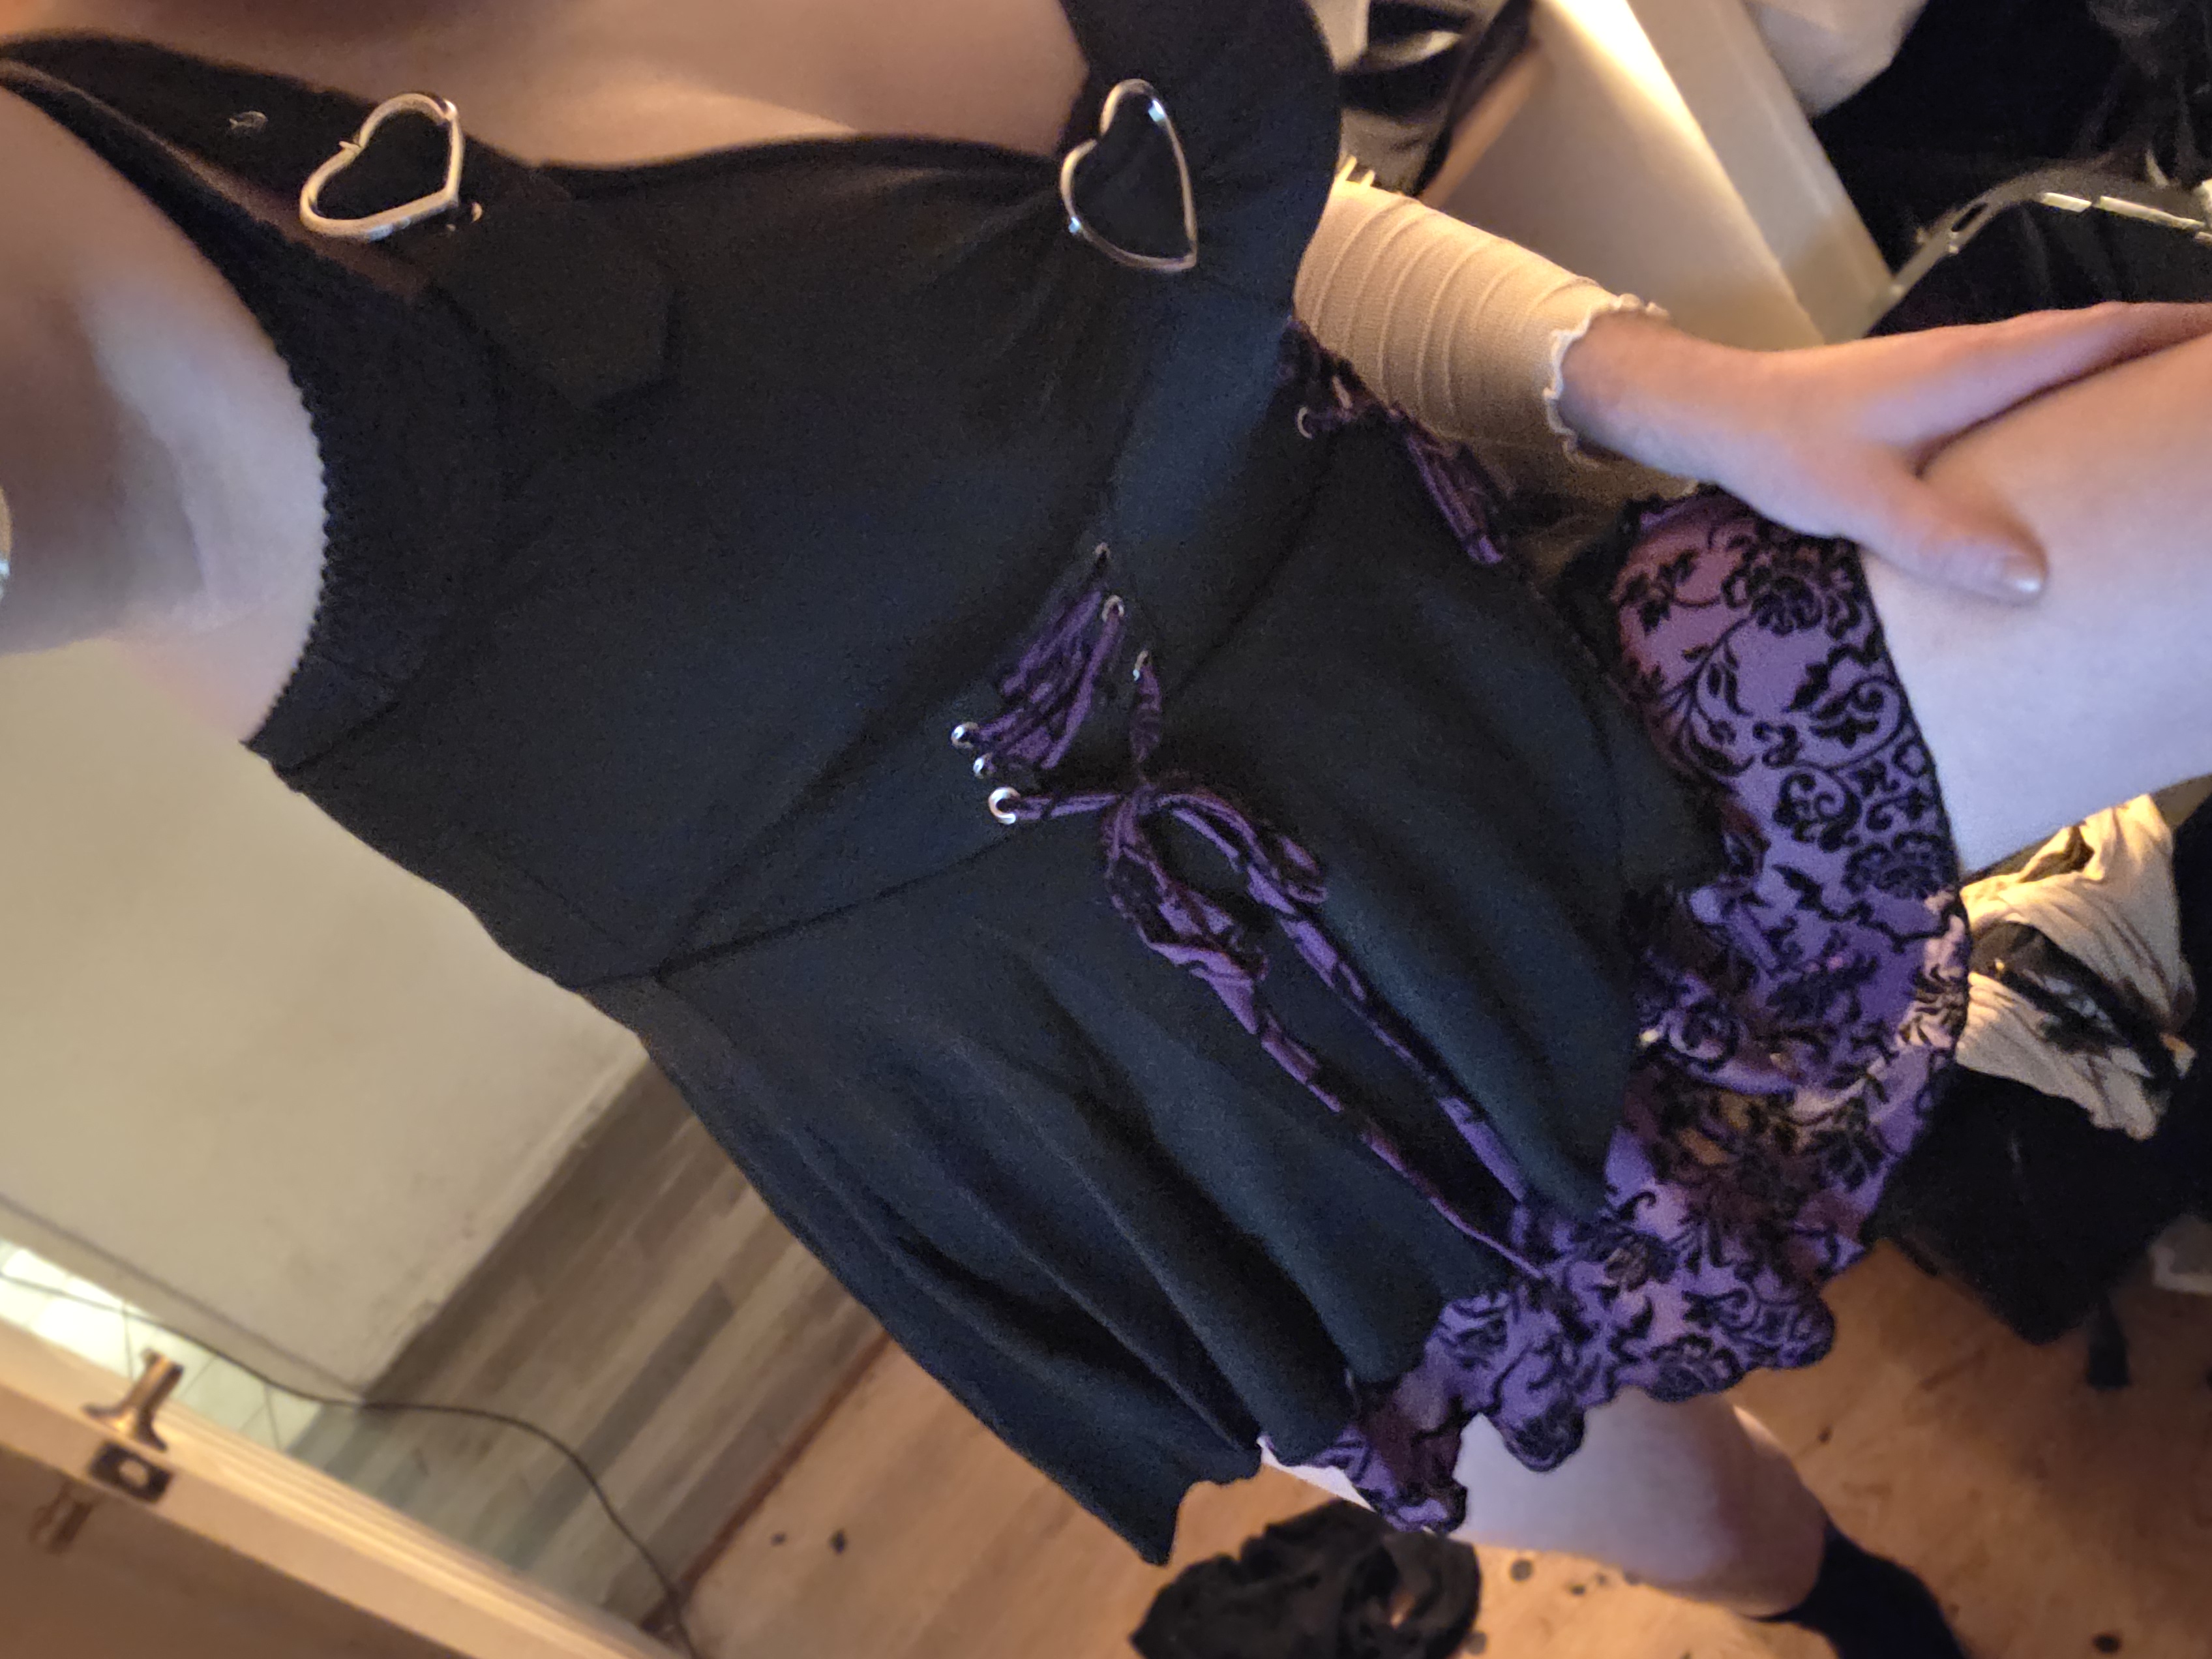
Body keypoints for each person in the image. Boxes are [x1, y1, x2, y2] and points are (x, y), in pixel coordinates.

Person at [3, 2, 2209, 1653]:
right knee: (1720, 1529)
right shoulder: (67, 242)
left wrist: (1670, 381)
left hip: (1520, 682)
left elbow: (1169, 229)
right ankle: (1866, 1616)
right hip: (1210, 1117)